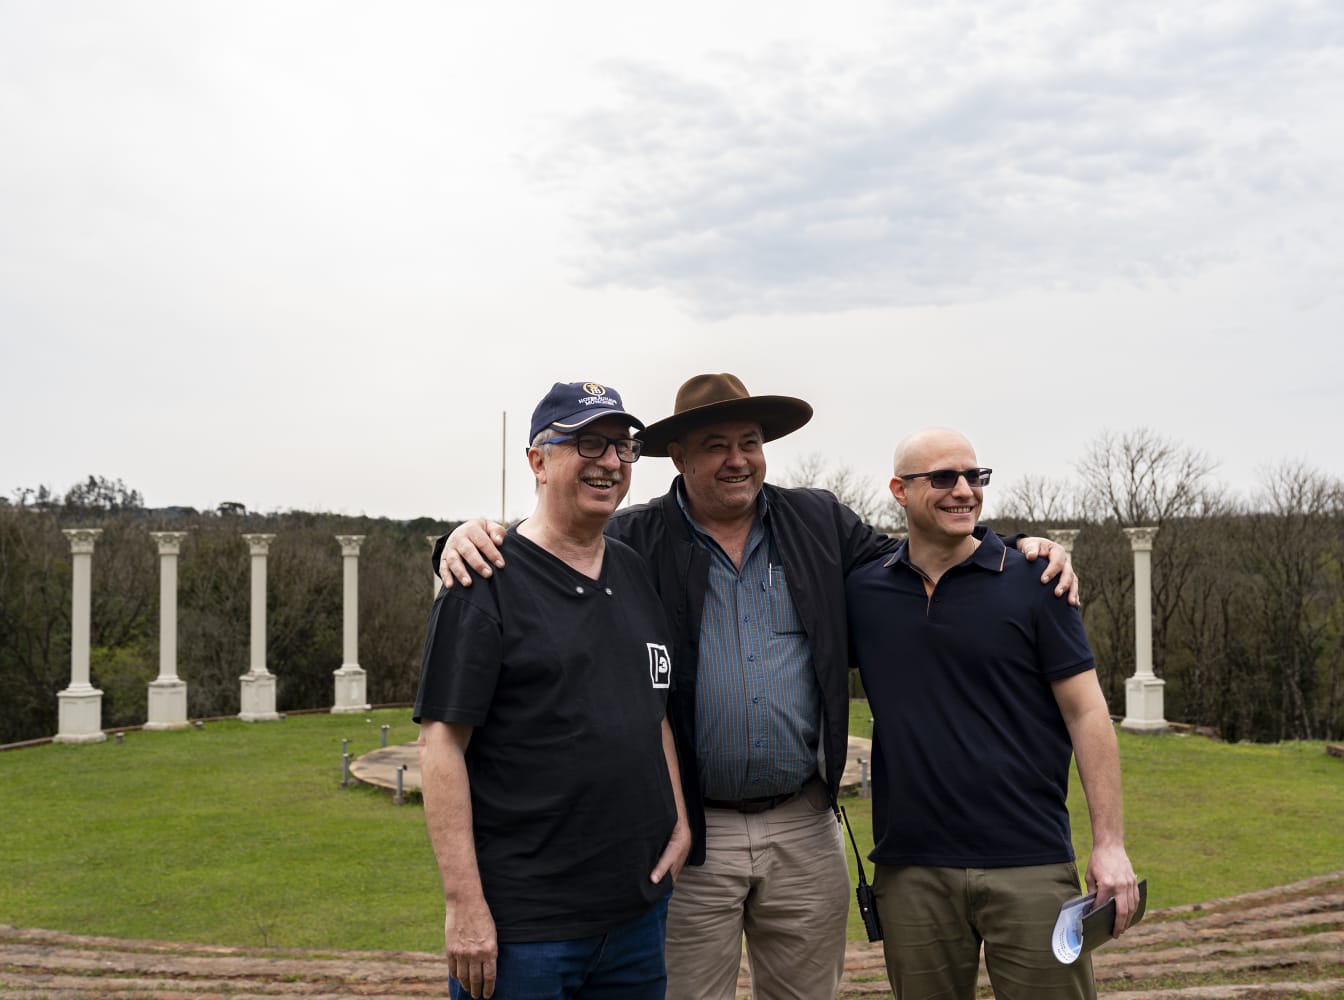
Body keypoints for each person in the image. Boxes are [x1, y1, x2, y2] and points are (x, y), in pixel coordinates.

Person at [436, 373, 1079, 1000]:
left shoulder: (819, 523)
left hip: (803, 827)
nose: (737, 460)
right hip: (694, 842)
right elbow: (542, 552)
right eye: (715, 446)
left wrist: (1020, 547)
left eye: (749, 442)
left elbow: (919, 557)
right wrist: (458, 540)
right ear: (679, 458)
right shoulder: (636, 540)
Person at [414, 381, 690, 1000]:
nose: (610, 462)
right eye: (588, 443)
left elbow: (655, 706)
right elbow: (441, 745)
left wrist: (679, 820)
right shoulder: (484, 579)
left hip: (636, 919)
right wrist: (465, 908)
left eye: (622, 447)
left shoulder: (634, 570)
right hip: (526, 932)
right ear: (538, 461)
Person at [845, 427, 1138, 1000]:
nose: (964, 490)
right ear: (899, 491)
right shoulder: (863, 591)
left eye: (974, 476)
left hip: (1028, 860)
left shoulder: (1035, 580)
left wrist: (1110, 844)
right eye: (943, 478)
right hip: (911, 869)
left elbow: (1086, 712)